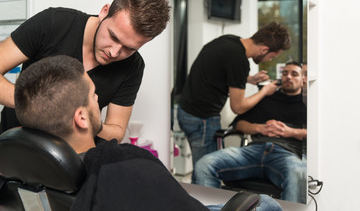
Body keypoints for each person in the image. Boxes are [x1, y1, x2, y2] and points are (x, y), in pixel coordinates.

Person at [13, 55, 282, 211]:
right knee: (267, 204)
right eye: (94, 96)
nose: (98, 100)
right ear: (81, 117)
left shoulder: (23, 168)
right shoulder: (127, 167)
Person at [0, 0, 171, 143]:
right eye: (113, 36)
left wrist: (89, 119)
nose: (114, 52)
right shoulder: (53, 23)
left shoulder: (132, 66)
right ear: (104, 11)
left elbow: (117, 132)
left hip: (65, 162)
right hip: (12, 146)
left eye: (129, 48)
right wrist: (40, 105)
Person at [177, 22, 291, 168]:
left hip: (185, 110)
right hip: (202, 120)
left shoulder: (230, 41)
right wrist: (264, 91)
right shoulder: (240, 61)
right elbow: (238, 107)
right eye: (271, 57)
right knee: (205, 171)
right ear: (264, 49)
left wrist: (249, 79)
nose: (269, 60)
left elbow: (219, 73)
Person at [193, 61, 307, 204]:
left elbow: (316, 134)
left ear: (303, 79)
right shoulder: (266, 98)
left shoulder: (308, 103)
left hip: (288, 153)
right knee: (204, 164)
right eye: (285, 73)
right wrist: (260, 128)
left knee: (299, 175)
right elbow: (239, 124)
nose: (288, 77)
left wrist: (290, 132)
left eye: (294, 74)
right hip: (255, 150)